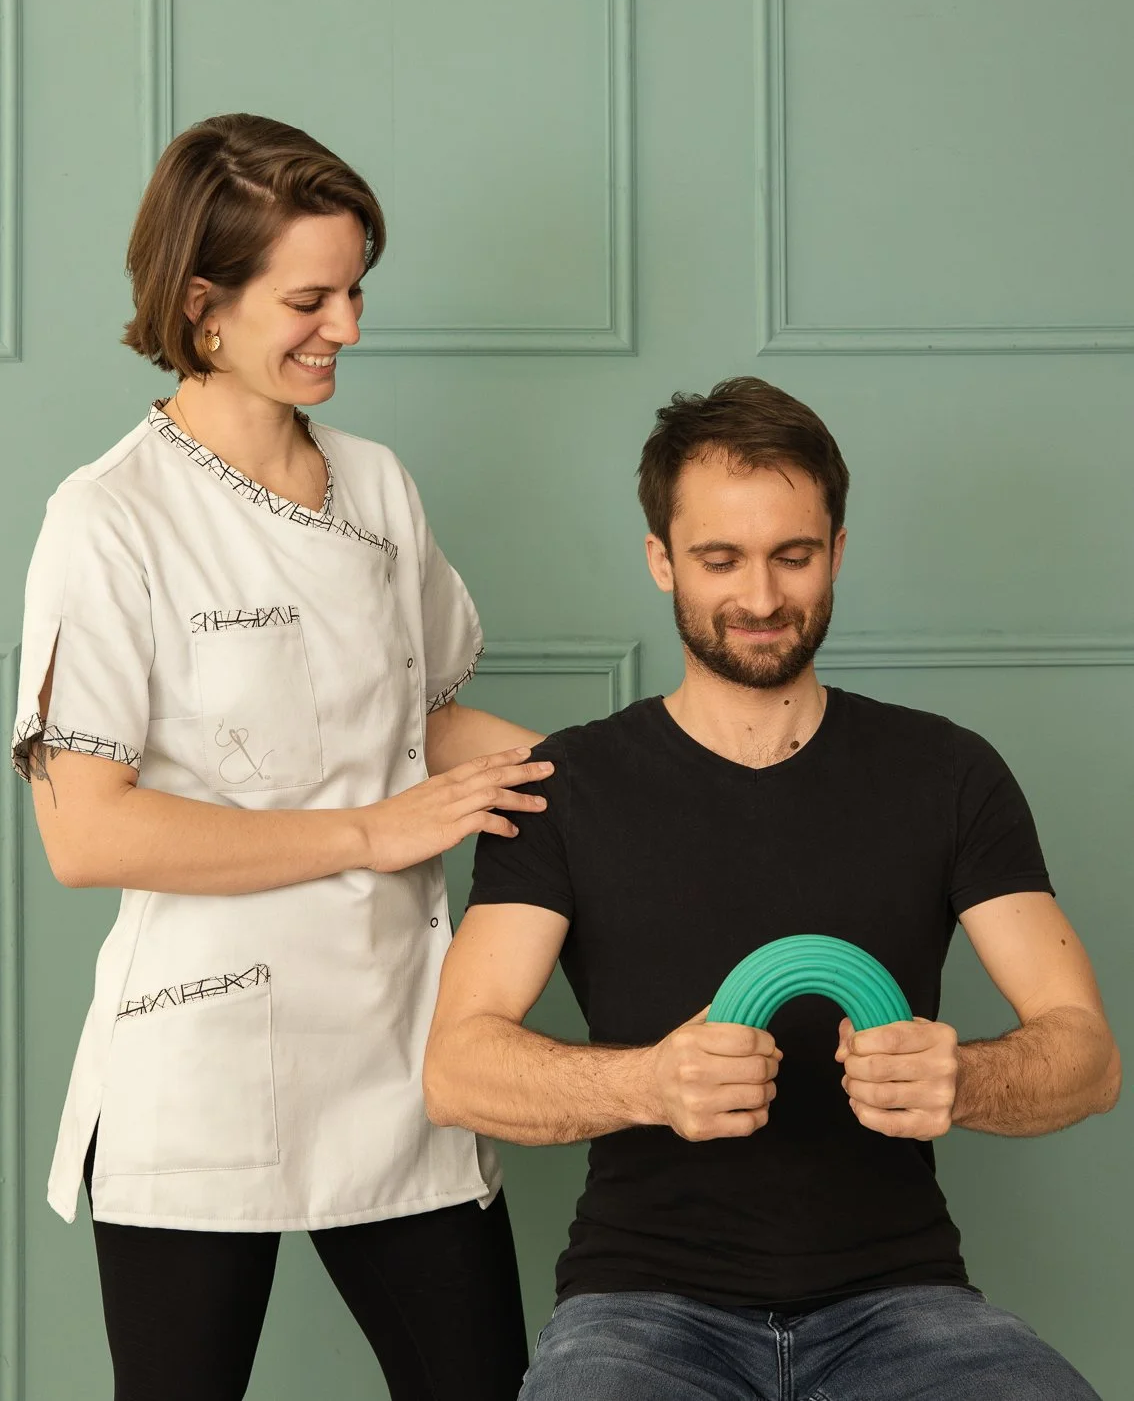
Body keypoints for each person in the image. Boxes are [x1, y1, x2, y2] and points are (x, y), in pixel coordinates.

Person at [424, 375, 1122, 1401]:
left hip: (905, 1306)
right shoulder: (568, 788)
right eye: (720, 558)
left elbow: (1088, 1053)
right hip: (641, 1313)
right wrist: (648, 1083)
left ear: (836, 551)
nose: (760, 596)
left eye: (793, 554)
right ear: (662, 558)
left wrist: (965, 1078)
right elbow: (456, 1066)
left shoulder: (948, 772)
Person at [12, 113, 556, 1401]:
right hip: (201, 1058)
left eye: (357, 286)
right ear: (203, 302)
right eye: (309, 297)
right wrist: (372, 829)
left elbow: (417, 725)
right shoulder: (109, 519)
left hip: (398, 1043)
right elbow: (86, 830)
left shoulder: (375, 486)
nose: (350, 326)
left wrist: (652, 779)